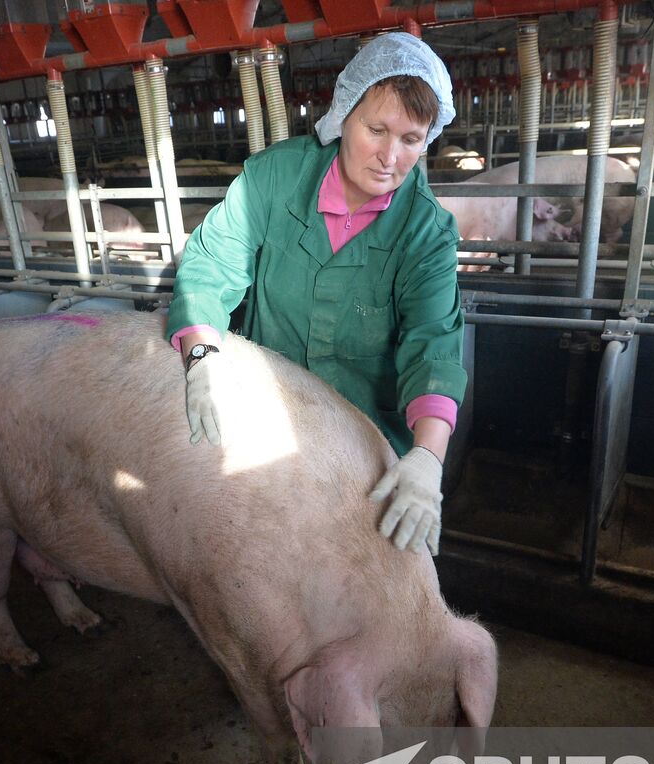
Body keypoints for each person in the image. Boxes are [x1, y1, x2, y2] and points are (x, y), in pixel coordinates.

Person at [166, 31, 464, 558]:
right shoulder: (272, 180)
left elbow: (433, 343)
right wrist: (203, 355)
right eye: (376, 130)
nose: (390, 158)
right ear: (343, 114)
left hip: (367, 441)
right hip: (264, 418)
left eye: (412, 139)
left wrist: (427, 459)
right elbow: (211, 266)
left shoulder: (426, 230)